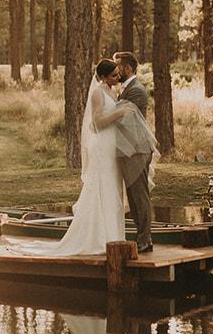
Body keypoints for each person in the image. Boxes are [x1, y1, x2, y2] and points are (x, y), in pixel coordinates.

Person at [42, 59, 132, 256]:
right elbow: (98, 122)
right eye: (113, 75)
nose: (118, 78)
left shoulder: (112, 91)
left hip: (112, 145)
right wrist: (118, 113)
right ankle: (97, 238)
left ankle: (113, 237)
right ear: (102, 77)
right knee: (101, 187)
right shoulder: (98, 93)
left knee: (113, 189)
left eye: (118, 74)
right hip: (103, 147)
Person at [112, 52, 157, 253]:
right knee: (134, 195)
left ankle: (145, 239)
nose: (115, 71)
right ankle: (142, 237)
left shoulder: (136, 91)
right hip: (128, 150)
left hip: (137, 149)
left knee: (140, 195)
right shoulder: (126, 89)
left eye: (117, 67)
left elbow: (127, 121)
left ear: (127, 68)